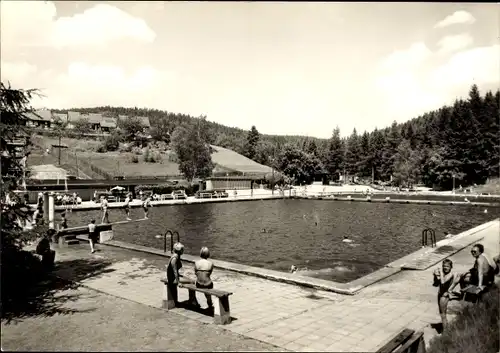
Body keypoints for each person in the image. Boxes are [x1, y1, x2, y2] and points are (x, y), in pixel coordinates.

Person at [432, 259, 460, 331]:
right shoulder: (444, 274)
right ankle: (445, 328)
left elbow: (442, 283)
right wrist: (435, 276)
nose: (445, 268)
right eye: (444, 266)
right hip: (440, 295)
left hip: (444, 296)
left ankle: (445, 332)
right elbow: (435, 284)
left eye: (447, 266)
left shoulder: (450, 275)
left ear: (451, 267)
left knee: (443, 315)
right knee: (441, 313)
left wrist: (440, 274)